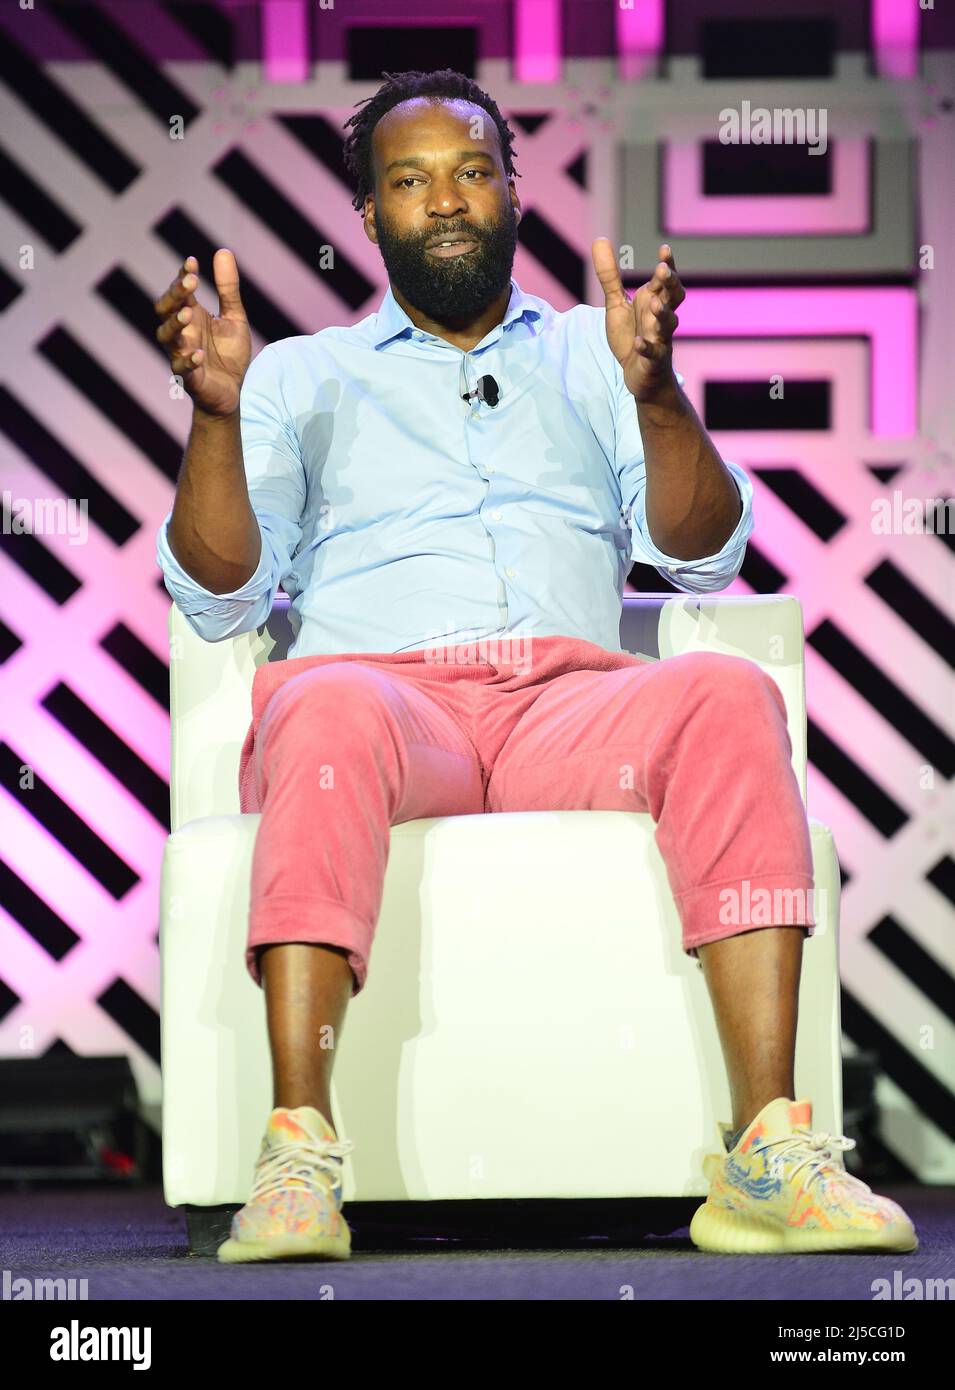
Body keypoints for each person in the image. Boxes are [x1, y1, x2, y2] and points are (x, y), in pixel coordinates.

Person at [153, 68, 917, 1263]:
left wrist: (655, 395)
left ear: (512, 190)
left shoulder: (594, 350)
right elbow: (218, 596)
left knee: (725, 687)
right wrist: (214, 416)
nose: (444, 200)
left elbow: (704, 556)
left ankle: (768, 1152)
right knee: (328, 698)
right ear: (369, 217)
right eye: (408, 181)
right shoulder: (299, 376)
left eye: (470, 172)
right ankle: (297, 1156)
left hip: (574, 703)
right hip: (389, 698)